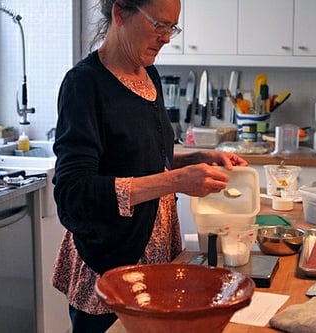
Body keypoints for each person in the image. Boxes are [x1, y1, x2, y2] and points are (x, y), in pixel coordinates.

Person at [51, 0, 248, 332]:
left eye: (172, 28)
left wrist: (196, 160)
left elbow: (142, 158)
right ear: (120, 13)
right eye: (160, 25)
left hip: (157, 259)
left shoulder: (148, 74)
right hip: (109, 264)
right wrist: (176, 181)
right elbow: (74, 194)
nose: (167, 38)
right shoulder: (84, 84)